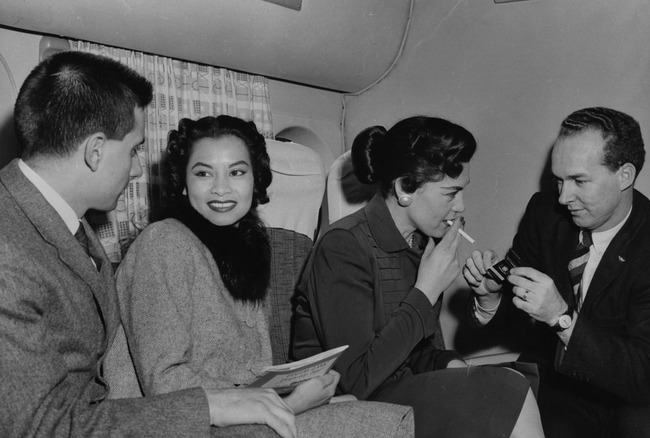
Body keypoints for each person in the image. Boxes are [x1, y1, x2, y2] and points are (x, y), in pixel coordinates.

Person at [0, 50, 348, 438]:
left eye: (237, 172)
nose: (137, 168)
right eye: (134, 149)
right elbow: (44, 424)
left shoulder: (74, 231)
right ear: (95, 151)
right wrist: (279, 404)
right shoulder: (11, 248)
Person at [104, 115, 413, 438]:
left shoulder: (244, 252)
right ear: (183, 182)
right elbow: (165, 385)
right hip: (168, 429)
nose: (221, 188)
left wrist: (305, 395)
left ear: (256, 181)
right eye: (203, 173)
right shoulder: (164, 242)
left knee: (375, 416)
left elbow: (244, 378)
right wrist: (291, 404)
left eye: (237, 172)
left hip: (233, 422)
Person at [291, 116, 544, 438]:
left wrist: (452, 365)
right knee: (506, 390)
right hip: (344, 404)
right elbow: (357, 378)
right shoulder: (343, 246)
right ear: (404, 188)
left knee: (513, 379)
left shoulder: (421, 245)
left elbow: (413, 352)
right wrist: (426, 290)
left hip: (394, 391)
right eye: (450, 194)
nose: (461, 206)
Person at [463, 107, 650, 438]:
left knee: (648, 430)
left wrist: (560, 316)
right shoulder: (544, 213)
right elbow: (517, 307)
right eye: (559, 180)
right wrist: (489, 296)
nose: (564, 197)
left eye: (579, 181)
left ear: (625, 176)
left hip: (642, 386)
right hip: (566, 379)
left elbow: (646, 376)